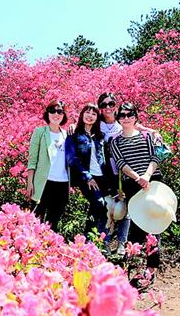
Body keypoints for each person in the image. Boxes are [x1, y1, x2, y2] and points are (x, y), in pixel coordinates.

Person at [97, 92, 160, 256]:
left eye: (111, 104)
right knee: (105, 208)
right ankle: (103, 244)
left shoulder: (123, 125)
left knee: (127, 210)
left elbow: (141, 129)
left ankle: (123, 245)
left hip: (124, 176)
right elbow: (84, 126)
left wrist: (153, 131)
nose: (108, 107)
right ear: (100, 108)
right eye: (104, 105)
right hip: (105, 173)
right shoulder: (98, 125)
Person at [110, 102, 163, 280]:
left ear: (135, 117)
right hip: (133, 184)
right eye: (122, 115)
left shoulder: (147, 137)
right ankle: (132, 262)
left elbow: (157, 155)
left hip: (152, 181)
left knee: (154, 223)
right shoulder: (115, 141)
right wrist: (137, 178)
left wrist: (147, 176)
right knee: (137, 224)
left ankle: (152, 267)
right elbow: (121, 163)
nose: (126, 118)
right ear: (118, 118)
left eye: (129, 115)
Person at [65, 103, 111, 248]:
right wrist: (87, 176)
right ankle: (95, 241)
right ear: (82, 114)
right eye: (87, 112)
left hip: (102, 177)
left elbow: (105, 158)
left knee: (96, 208)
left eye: (94, 114)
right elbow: (71, 158)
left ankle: (87, 243)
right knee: (100, 204)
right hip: (87, 178)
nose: (90, 116)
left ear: (97, 118)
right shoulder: (74, 135)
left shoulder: (100, 137)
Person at [27, 101, 69, 231]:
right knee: (35, 221)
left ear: (63, 115)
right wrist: (30, 183)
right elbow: (32, 160)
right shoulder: (40, 132)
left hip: (62, 184)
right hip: (43, 182)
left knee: (53, 222)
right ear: (47, 114)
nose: (56, 114)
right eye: (52, 111)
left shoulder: (67, 135)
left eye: (60, 111)